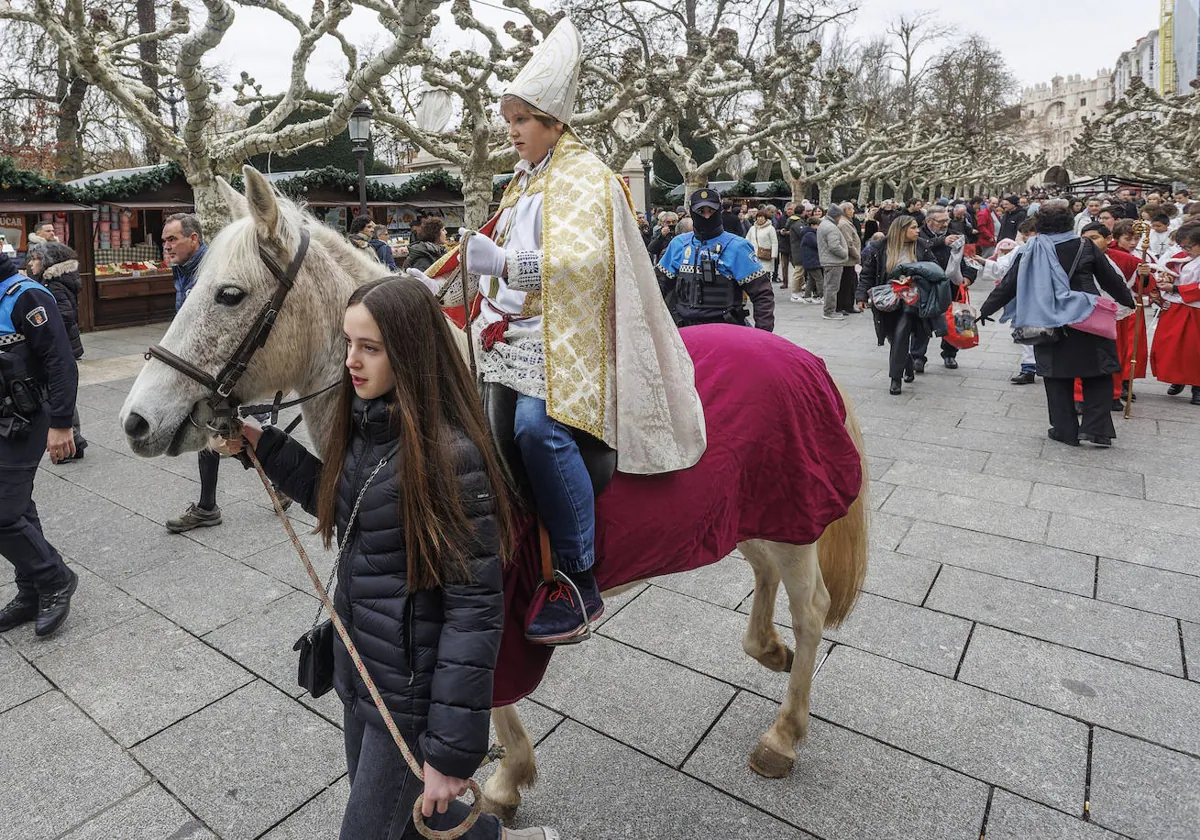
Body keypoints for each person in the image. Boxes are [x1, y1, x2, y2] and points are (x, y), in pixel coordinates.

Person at [218, 279, 556, 840]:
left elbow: (474, 612)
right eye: (348, 343)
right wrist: (265, 445)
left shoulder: (452, 458)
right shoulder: (372, 423)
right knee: (413, 824)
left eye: (369, 348)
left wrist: (449, 753)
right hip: (364, 673)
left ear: (411, 350)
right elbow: (344, 502)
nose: (351, 361)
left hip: (411, 702)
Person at [438, 18, 706, 645]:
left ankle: (578, 578)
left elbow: (587, 268)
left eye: (521, 120)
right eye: (508, 121)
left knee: (537, 430)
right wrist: (438, 284)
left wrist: (504, 264)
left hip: (568, 338)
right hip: (510, 335)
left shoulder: (585, 175)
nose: (511, 132)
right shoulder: (523, 179)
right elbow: (482, 248)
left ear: (554, 121)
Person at [979, 201, 1135, 447]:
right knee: (1098, 373)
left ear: (1039, 225)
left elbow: (1010, 283)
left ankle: (1065, 430)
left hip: (1048, 318)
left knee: (1057, 377)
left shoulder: (1031, 249)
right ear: (1070, 223)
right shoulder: (1085, 246)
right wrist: (1129, 302)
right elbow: (1110, 279)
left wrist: (986, 309)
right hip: (1087, 317)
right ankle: (1096, 429)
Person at [0, 250, 79, 637]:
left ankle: (54, 578)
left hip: (25, 418)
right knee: (17, 507)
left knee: (3, 511)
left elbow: (60, 360)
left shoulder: (25, 294)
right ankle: (30, 592)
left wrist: (62, 424)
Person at [162, 213, 226, 533]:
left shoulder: (211, 271)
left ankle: (207, 508)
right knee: (219, 430)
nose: (166, 246)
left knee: (214, 429)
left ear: (194, 239)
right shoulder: (184, 269)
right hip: (198, 366)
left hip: (216, 368)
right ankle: (208, 506)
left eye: (172, 239)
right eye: (164, 240)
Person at [659, 187, 775, 330]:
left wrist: (762, 335)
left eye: (711, 211)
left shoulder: (738, 247)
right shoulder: (678, 244)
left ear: (719, 211)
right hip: (684, 331)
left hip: (725, 331)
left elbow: (762, 294)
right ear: (691, 213)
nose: (706, 217)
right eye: (701, 212)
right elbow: (657, 287)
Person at [854, 215, 942, 395]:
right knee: (893, 337)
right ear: (901, 230)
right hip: (887, 299)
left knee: (901, 333)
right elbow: (868, 274)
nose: (918, 231)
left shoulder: (922, 246)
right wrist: (861, 295)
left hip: (911, 300)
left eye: (917, 227)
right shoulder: (880, 247)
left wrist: (916, 275)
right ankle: (907, 364)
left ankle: (895, 378)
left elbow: (935, 270)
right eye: (914, 228)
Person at [1079, 221, 1149, 410]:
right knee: (1082, 356)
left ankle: (1113, 394)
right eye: (1084, 239)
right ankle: (1079, 397)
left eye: (1094, 238)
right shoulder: (1076, 257)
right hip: (1084, 313)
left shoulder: (1127, 260)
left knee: (1115, 356)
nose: (1088, 243)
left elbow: (1142, 289)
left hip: (1115, 315)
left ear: (1109, 239)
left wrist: (1146, 276)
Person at [25, 243, 86, 458]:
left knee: (60, 392)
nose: (31, 263)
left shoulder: (54, 285)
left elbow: (66, 315)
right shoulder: (48, 282)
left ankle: (74, 440)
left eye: (35, 259)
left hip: (63, 346)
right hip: (66, 344)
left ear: (47, 261)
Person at [912, 205, 977, 371]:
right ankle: (917, 357)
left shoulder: (956, 235)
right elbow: (919, 248)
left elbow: (969, 260)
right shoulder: (918, 235)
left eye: (947, 220)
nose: (945, 224)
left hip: (951, 287)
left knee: (952, 321)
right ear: (929, 221)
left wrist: (968, 277)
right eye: (941, 221)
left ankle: (949, 354)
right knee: (922, 322)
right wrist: (941, 241)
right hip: (926, 287)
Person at [1150, 222, 1200, 405]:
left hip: (1195, 309)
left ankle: (1197, 387)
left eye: (1190, 246)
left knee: (1194, 350)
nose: (1186, 250)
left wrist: (1177, 288)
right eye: (1183, 246)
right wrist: (1164, 277)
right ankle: (1177, 378)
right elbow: (1163, 268)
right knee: (1169, 346)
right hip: (1175, 307)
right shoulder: (1179, 256)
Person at [816, 204, 849, 321]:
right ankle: (829, 312)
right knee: (832, 287)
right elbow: (834, 246)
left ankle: (828, 310)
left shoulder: (824, 224)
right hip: (833, 261)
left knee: (828, 286)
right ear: (837, 216)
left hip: (828, 261)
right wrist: (845, 253)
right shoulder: (831, 227)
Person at [835, 201, 862, 315]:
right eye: (851, 209)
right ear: (845, 211)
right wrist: (857, 255)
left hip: (849, 260)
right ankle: (844, 306)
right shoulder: (844, 224)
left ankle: (847, 305)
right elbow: (848, 243)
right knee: (846, 284)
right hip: (847, 260)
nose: (853, 211)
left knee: (850, 283)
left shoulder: (846, 222)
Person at [744, 209, 778, 282]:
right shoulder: (752, 228)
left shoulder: (771, 228)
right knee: (755, 277)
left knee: (765, 276)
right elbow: (747, 240)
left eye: (762, 217)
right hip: (754, 256)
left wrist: (774, 255)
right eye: (758, 217)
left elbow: (774, 242)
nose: (760, 219)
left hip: (766, 255)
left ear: (765, 218)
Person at [795, 216, 822, 303]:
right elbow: (818, 244)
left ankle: (807, 296)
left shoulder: (807, 233)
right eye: (818, 225)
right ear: (813, 225)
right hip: (812, 261)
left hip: (809, 261)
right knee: (819, 279)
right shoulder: (810, 234)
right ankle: (822, 296)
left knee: (811, 279)